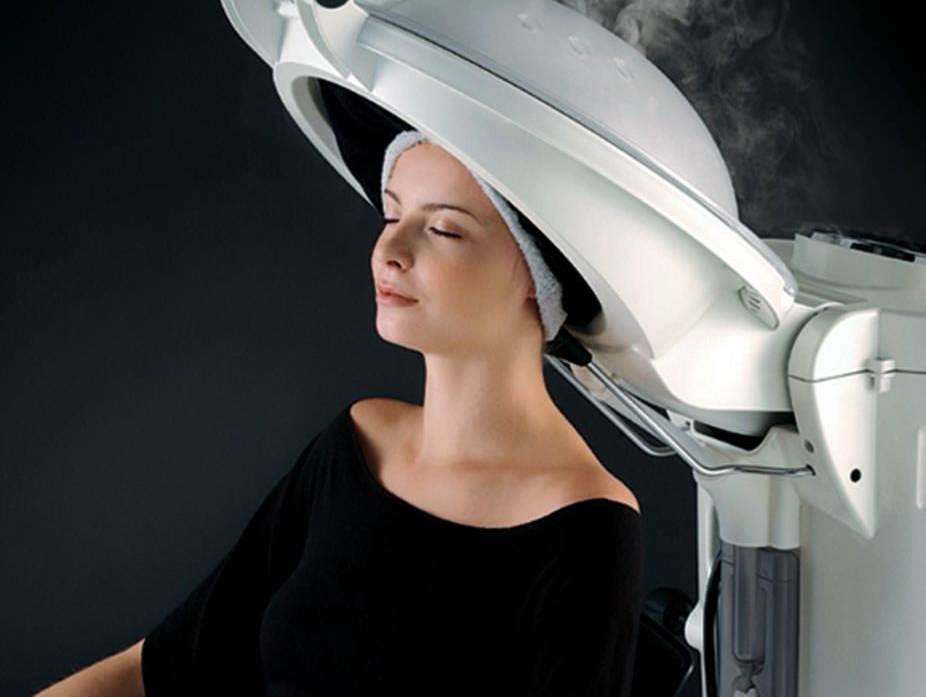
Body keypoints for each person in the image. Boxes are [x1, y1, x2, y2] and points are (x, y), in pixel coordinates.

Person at [38, 130, 643, 696]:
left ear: (539, 270)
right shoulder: (357, 444)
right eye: (392, 216)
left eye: (444, 230)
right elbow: (164, 666)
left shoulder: (584, 525)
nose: (389, 251)